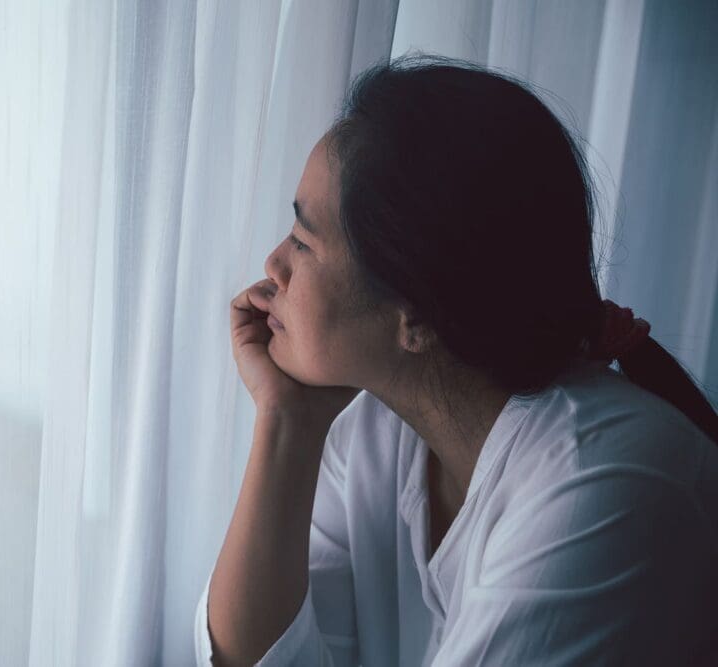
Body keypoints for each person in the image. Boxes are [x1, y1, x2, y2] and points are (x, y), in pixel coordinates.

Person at [194, 54, 718, 666]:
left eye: (304, 243)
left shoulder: (599, 482)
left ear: (416, 316)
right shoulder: (377, 433)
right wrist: (286, 424)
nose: (273, 266)